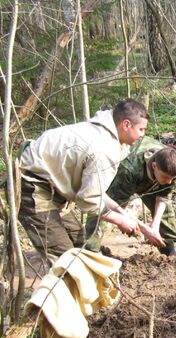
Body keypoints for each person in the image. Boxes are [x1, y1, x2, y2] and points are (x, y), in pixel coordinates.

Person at [19, 99, 149, 263]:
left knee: (81, 247)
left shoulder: (109, 134)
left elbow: (96, 191)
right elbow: (88, 200)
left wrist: (123, 214)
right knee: (66, 260)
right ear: (126, 125)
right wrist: (119, 220)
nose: (143, 134)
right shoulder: (103, 149)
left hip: (57, 189)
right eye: (141, 129)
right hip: (34, 186)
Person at [85, 136, 176, 256]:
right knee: (102, 212)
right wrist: (144, 229)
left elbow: (163, 196)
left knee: (164, 214)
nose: (169, 182)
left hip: (150, 176)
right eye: (166, 178)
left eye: (172, 179)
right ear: (154, 166)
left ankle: (168, 253)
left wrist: (155, 225)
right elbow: (116, 206)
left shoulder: (173, 169)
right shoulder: (129, 170)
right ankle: (90, 250)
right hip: (126, 174)